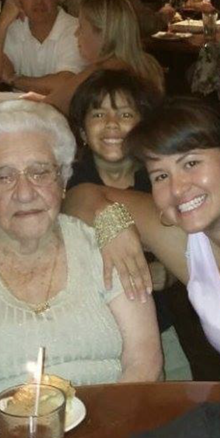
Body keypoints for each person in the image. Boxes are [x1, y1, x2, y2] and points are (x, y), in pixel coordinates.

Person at [0, 101, 162, 400]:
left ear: (62, 180)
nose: (24, 193)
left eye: (40, 172)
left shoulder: (103, 248)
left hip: (108, 428)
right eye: (3, 176)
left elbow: (145, 363)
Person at [66, 97, 220, 383]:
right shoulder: (188, 238)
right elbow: (80, 197)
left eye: (191, 163)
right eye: (161, 175)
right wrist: (110, 222)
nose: (177, 188)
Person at [65, 70, 192, 379]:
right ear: (82, 130)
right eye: (98, 114)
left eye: (125, 114)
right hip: (89, 327)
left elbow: (191, 242)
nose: (111, 124)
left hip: (160, 323)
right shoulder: (65, 181)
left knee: (176, 403)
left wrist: (168, 274)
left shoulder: (161, 180)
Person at [35, 0, 166, 117]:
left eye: (81, 27)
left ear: (103, 33)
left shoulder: (100, 74)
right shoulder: (149, 65)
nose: (76, 33)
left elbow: (46, 110)